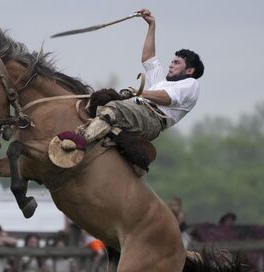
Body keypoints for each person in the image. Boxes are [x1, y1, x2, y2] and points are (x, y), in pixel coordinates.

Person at [82, 9, 203, 173]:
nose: (170, 64)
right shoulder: (163, 80)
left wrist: (139, 93)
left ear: (189, 71)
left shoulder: (191, 84)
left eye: (176, 63)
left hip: (152, 119)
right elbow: (148, 57)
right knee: (100, 98)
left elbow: (167, 98)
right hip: (137, 110)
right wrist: (151, 25)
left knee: (113, 109)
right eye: (172, 61)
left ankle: (78, 143)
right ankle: (114, 138)